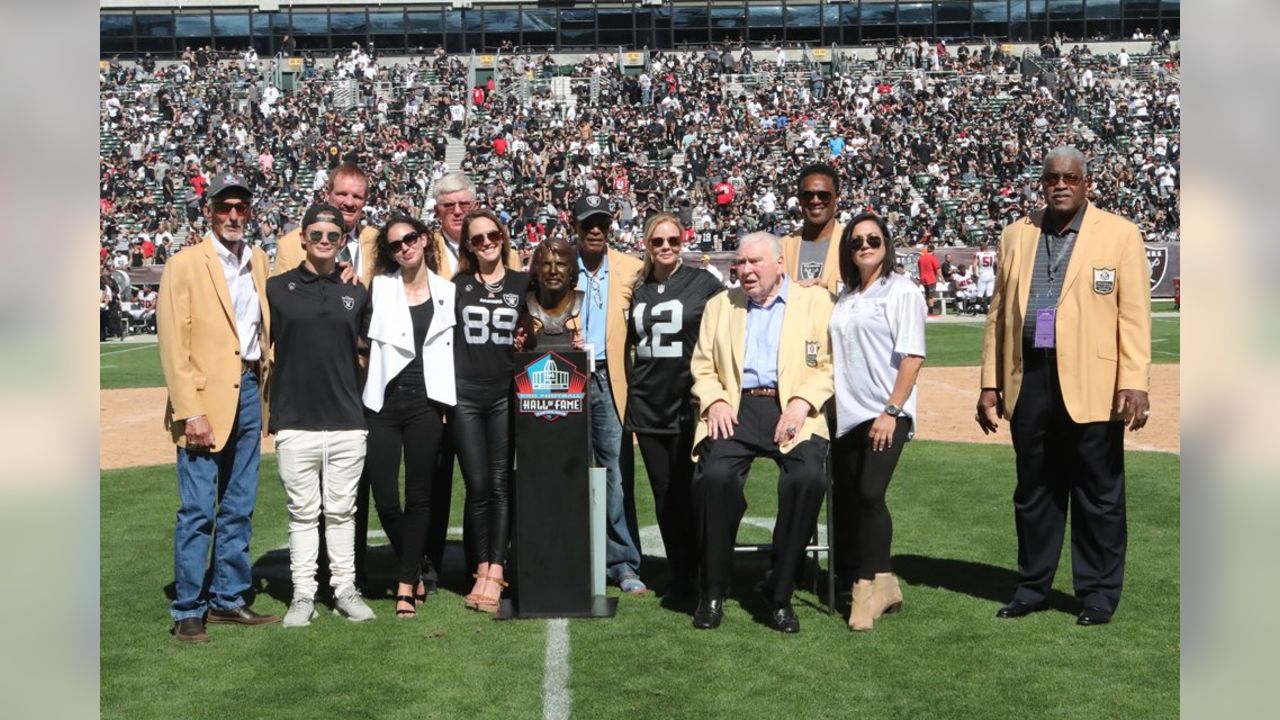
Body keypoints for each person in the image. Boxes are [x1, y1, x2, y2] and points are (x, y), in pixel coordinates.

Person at [976, 146, 1152, 627]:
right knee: (1034, 490)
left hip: (1094, 380)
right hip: (1029, 376)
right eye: (1052, 177)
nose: (1060, 185)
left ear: (1085, 184)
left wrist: (1134, 381)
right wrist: (990, 382)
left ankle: (1097, 594)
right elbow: (998, 316)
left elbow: (1134, 314)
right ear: (1041, 183)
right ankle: (1032, 587)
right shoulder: (1017, 234)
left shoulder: (1119, 234)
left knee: (1098, 492)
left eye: (1070, 178)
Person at [688, 232, 835, 633]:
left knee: (806, 478)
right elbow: (702, 367)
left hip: (793, 407)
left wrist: (803, 402)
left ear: (779, 263)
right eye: (741, 263)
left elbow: (829, 364)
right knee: (714, 477)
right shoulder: (721, 305)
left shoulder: (815, 303)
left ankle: (780, 591)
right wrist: (715, 399)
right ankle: (713, 590)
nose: (746, 270)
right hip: (735, 406)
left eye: (755, 262)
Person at [157, 172, 279, 642]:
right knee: (197, 509)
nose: (233, 216)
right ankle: (188, 607)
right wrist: (191, 410)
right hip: (204, 400)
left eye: (241, 208)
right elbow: (173, 344)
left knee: (239, 505)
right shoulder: (185, 264)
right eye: (225, 207)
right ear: (209, 211)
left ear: (249, 212)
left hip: (250, 389)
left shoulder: (259, 260)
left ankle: (228, 599)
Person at [266, 203, 376, 627]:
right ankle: (303, 593)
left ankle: (345, 589)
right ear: (303, 239)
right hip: (295, 419)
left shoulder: (357, 291)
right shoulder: (276, 289)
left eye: (333, 236)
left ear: (343, 241)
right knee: (302, 512)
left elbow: (367, 352)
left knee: (343, 511)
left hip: (348, 419)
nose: (325, 242)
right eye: (317, 235)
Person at [829, 213, 927, 631]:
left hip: (886, 412)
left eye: (873, 239)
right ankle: (886, 582)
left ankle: (864, 588)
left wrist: (891, 411)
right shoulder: (846, 296)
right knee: (852, 498)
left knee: (870, 493)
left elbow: (913, 356)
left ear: (886, 243)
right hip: (847, 415)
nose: (865, 246)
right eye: (856, 242)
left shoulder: (901, 290)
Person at [625, 213, 724, 604]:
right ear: (647, 245)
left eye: (673, 241)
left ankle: (706, 573)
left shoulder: (704, 283)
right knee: (664, 495)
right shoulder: (637, 289)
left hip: (689, 403)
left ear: (683, 241)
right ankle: (681, 574)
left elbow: (728, 330)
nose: (666, 248)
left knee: (693, 492)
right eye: (658, 242)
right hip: (647, 403)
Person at [361, 215, 457, 619]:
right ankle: (414, 566)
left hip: (427, 403)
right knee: (385, 497)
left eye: (411, 239)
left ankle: (404, 586)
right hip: (384, 401)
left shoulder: (448, 291)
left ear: (424, 239)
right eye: (396, 244)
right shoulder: (379, 288)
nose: (405, 248)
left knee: (420, 497)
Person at [451, 208, 531, 613]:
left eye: (492, 236)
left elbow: (539, 329)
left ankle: (496, 570)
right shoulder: (459, 285)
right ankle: (481, 566)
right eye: (477, 238)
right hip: (465, 394)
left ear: (503, 238)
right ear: (467, 245)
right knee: (478, 487)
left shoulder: (522, 282)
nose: (486, 244)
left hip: (505, 393)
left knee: (500, 485)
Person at [573, 194, 647, 593]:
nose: (596, 230)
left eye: (602, 223)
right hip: (567, 379)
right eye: (588, 224)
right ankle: (572, 553)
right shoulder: (559, 263)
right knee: (566, 469)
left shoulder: (631, 269)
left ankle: (622, 563)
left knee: (614, 475)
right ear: (576, 227)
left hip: (608, 378)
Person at [272, 162, 378, 287]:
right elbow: (279, 297)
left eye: (357, 196)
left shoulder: (377, 240)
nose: (349, 203)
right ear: (327, 195)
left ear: (365, 201)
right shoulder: (290, 244)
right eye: (342, 194)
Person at [781, 163, 845, 294]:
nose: (815, 201)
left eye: (824, 195)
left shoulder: (853, 244)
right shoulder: (781, 248)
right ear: (799, 199)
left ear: (837, 198)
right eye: (808, 195)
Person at [525, 237, 585, 350]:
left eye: (560, 264)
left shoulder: (578, 302)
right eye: (546, 264)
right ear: (537, 269)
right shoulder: (527, 301)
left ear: (571, 270)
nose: (553, 271)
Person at [972, 241, 998, 314]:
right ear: (987, 247)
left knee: (980, 293)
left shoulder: (978, 254)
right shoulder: (993, 253)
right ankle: (989, 309)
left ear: (980, 248)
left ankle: (976, 310)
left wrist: (974, 274)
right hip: (991, 274)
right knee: (990, 293)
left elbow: (974, 265)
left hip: (983, 274)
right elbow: (997, 263)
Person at [917, 243, 941, 315]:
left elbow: (919, 269)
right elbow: (937, 269)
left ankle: (927, 309)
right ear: (933, 250)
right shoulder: (933, 258)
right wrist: (942, 279)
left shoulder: (921, 258)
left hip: (923, 278)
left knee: (928, 295)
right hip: (931, 279)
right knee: (931, 296)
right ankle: (930, 311)